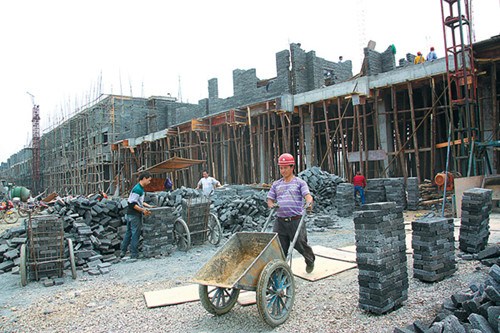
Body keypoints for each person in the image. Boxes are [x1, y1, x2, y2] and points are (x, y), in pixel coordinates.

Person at [267, 153, 315, 273]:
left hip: (296, 220)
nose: (282, 170)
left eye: (285, 168)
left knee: (301, 244)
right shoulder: (276, 184)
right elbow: (270, 199)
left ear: (292, 167)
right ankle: (281, 271)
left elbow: (308, 196)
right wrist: (271, 205)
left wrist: (309, 203)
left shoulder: (300, 183)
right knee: (279, 247)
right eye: (281, 168)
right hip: (280, 221)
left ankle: (310, 260)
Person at [120, 171, 154, 259]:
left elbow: (140, 202)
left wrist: (149, 206)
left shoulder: (139, 188)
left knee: (129, 233)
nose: (149, 182)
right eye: (148, 180)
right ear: (144, 179)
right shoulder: (137, 189)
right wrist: (143, 210)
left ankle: (123, 251)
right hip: (134, 215)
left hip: (130, 214)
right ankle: (134, 254)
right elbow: (132, 204)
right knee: (135, 233)